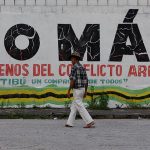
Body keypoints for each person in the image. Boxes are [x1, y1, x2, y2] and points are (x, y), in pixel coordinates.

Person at [65, 51, 95, 128]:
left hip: (77, 90)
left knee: (79, 105)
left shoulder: (74, 67)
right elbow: (86, 80)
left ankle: (89, 121)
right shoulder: (82, 67)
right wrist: (86, 91)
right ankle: (69, 123)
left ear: (75, 59)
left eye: (72, 59)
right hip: (82, 89)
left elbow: (72, 80)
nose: (71, 61)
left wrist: (68, 91)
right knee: (74, 106)